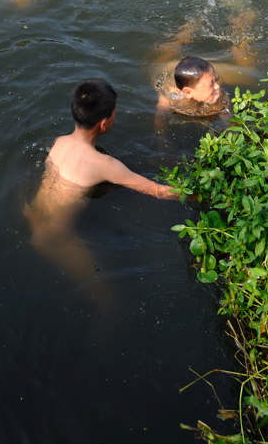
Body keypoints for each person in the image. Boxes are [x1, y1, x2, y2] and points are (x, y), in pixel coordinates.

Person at [24, 79, 179, 297]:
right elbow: (158, 190)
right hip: (56, 238)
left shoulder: (59, 143)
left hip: (31, 216)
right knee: (107, 301)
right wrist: (200, 193)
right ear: (104, 123)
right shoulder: (105, 165)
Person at [155, 55, 232, 123]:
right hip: (167, 68)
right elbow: (161, 119)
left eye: (217, 79)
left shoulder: (222, 99)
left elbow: (229, 122)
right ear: (188, 93)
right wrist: (161, 138)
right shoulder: (169, 102)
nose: (217, 86)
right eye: (211, 84)